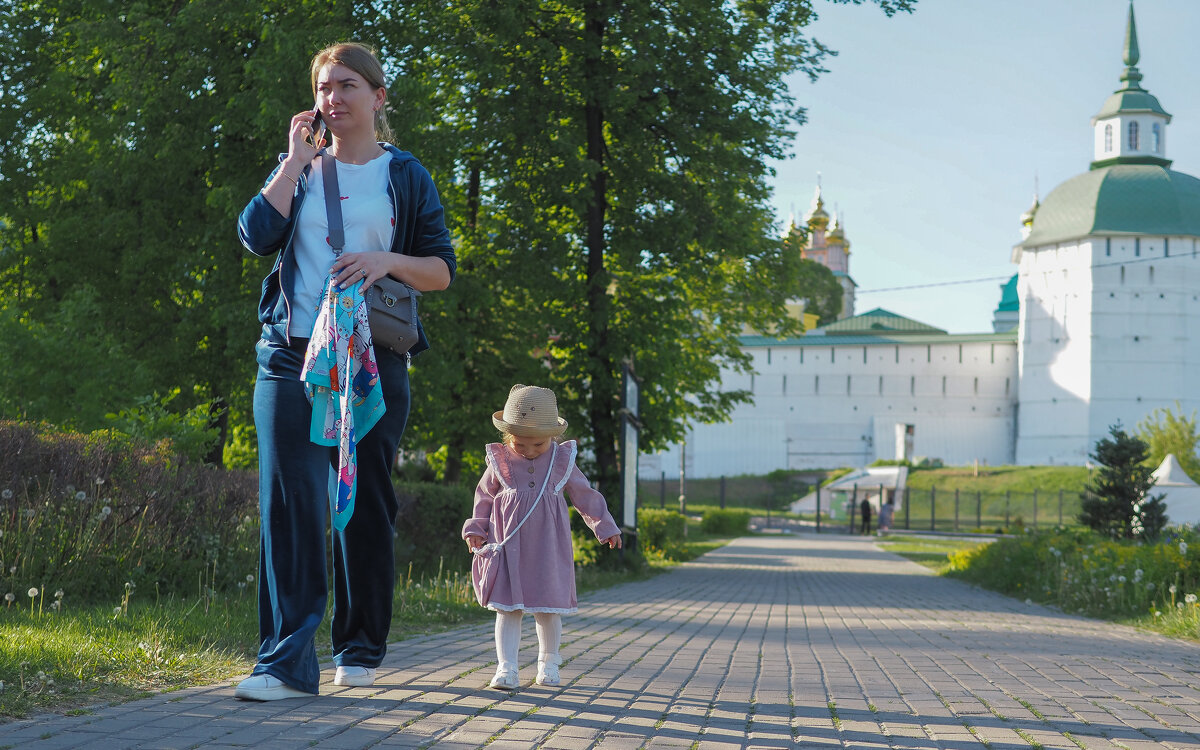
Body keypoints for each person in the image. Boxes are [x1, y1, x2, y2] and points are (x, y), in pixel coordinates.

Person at [234, 42, 456, 701]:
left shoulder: (405, 175)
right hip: (290, 357)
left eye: (348, 85)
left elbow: (440, 271)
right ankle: (284, 665)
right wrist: (294, 161)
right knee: (291, 502)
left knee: (361, 506)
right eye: (324, 86)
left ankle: (358, 646)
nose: (333, 97)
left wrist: (385, 260)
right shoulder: (299, 168)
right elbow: (254, 235)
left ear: (378, 97)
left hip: (371, 360)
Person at [462, 385, 622, 690]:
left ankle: (549, 663)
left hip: (548, 545)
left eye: (538, 444)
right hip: (509, 545)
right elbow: (483, 497)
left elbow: (585, 495)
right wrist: (475, 530)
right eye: (521, 445)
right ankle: (506, 667)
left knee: (548, 607)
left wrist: (606, 526)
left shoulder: (561, 460)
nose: (530, 451)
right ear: (509, 438)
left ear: (553, 437)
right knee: (508, 607)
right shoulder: (500, 460)